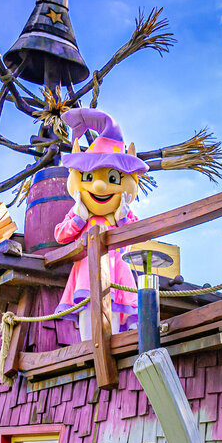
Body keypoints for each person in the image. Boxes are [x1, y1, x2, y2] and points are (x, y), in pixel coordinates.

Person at [53, 108, 146, 340]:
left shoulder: (124, 214)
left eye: (113, 179)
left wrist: (123, 217)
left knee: (114, 320)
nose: (100, 187)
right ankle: (89, 347)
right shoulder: (79, 212)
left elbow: (138, 237)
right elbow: (60, 235)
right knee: (89, 321)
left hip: (117, 275)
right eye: (89, 178)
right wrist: (79, 217)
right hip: (86, 271)